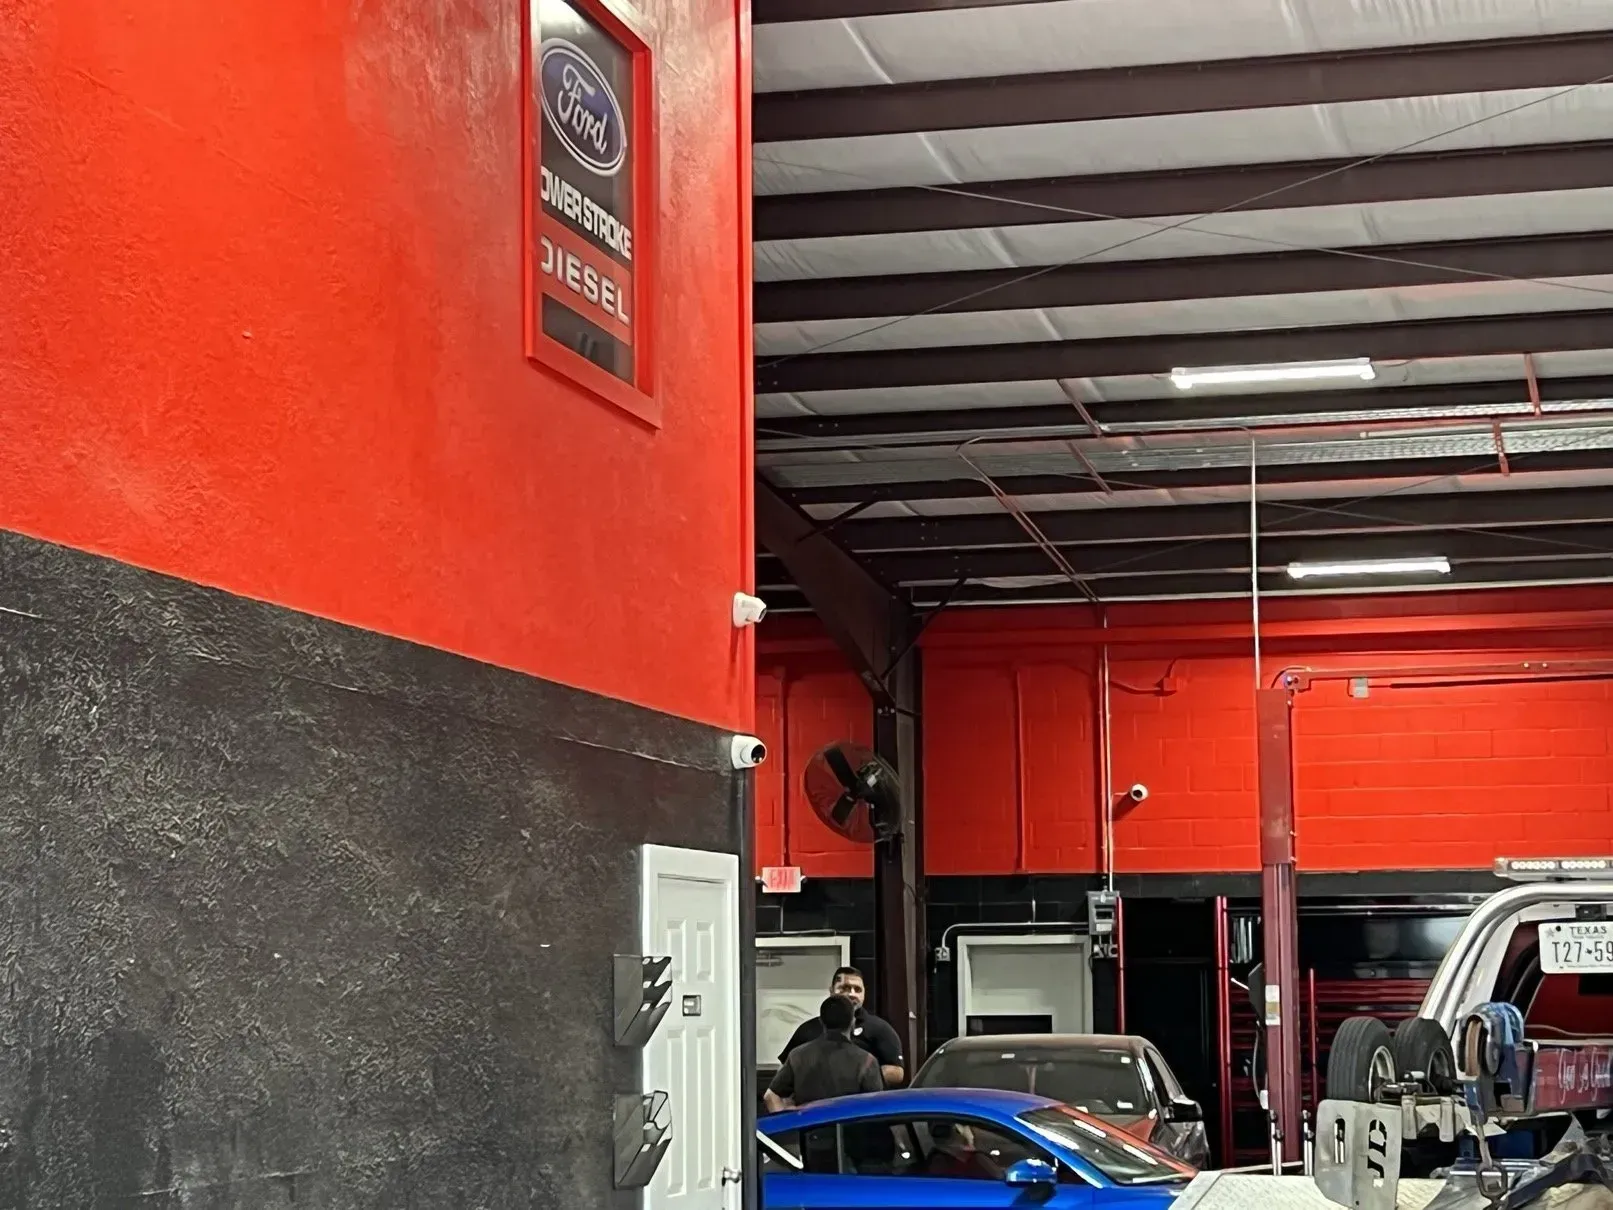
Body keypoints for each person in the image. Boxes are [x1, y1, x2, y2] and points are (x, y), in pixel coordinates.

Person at [778, 966, 905, 1087]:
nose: (852, 994)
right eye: (844, 988)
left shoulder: (880, 1029)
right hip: (814, 1105)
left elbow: (898, 1072)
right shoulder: (808, 1029)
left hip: (860, 1105)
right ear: (831, 991)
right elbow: (782, 1074)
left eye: (858, 989)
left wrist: (857, 1075)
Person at [765, 994, 884, 1112]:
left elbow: (770, 1096)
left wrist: (787, 1123)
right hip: (852, 1130)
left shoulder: (797, 1056)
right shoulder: (867, 1061)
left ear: (821, 1022)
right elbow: (876, 1109)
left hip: (808, 1128)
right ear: (852, 1023)